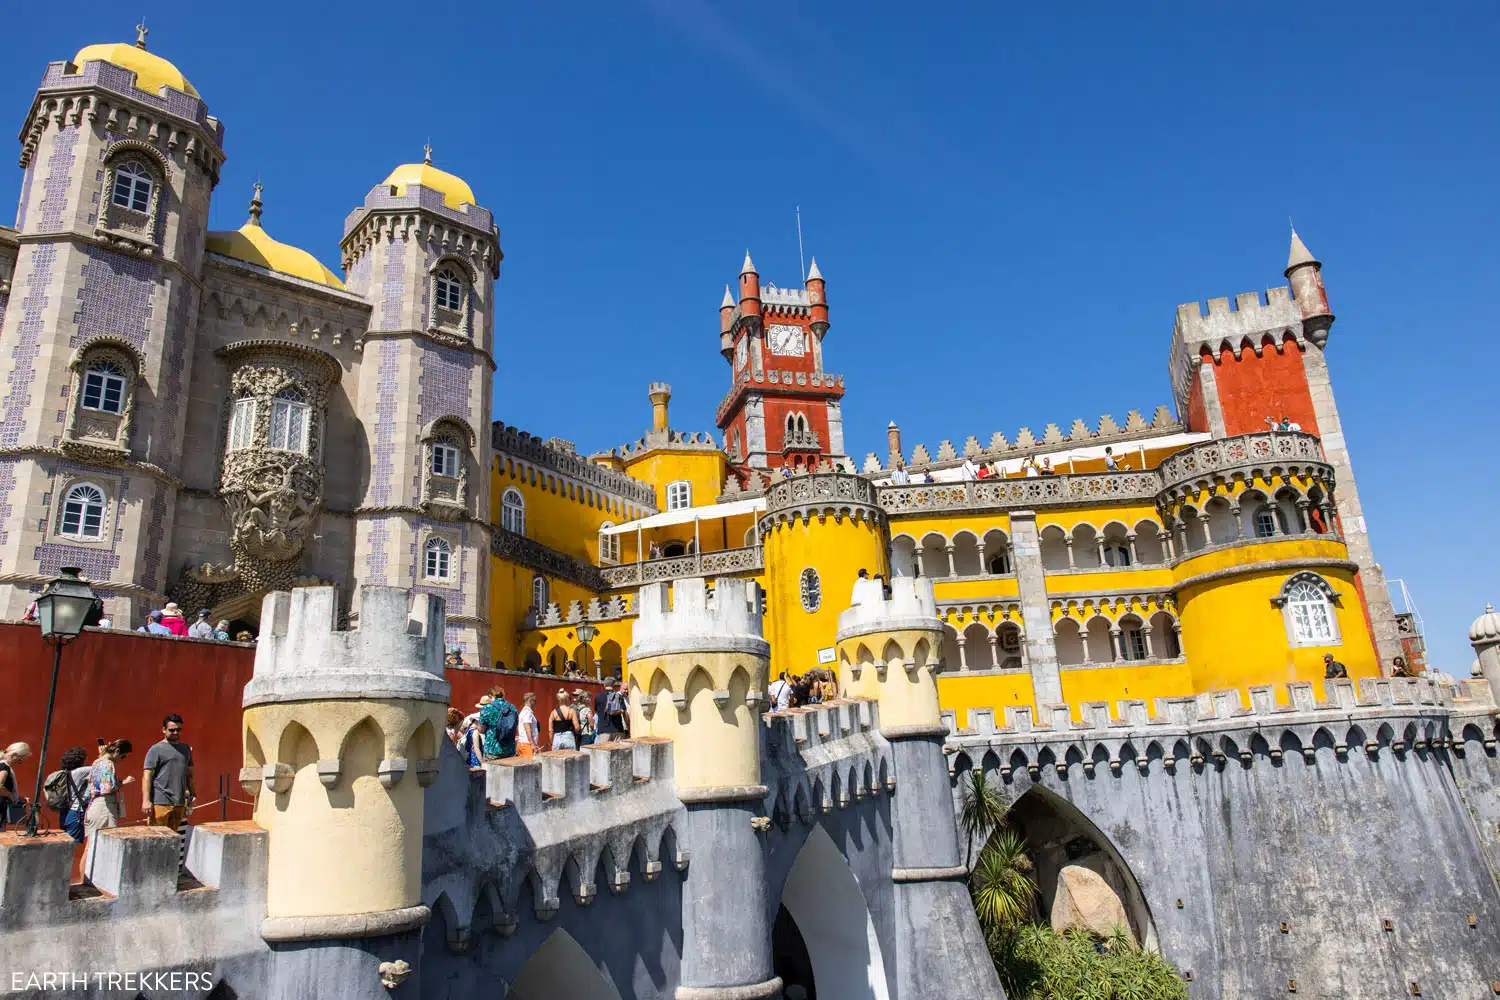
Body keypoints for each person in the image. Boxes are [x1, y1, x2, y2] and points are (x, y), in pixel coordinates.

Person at [84, 739, 133, 883]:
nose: (122, 760)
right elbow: (107, 789)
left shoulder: (97, 762)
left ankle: (86, 881)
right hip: (103, 807)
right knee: (101, 845)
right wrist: (124, 783)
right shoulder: (107, 764)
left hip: (94, 805)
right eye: (123, 756)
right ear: (117, 751)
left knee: (91, 846)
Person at [142, 713, 194, 832]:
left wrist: (192, 793)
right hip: (160, 801)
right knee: (157, 838)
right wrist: (146, 800)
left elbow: (189, 773)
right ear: (164, 730)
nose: (176, 732)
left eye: (179, 730)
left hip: (179, 802)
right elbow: (147, 776)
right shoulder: (155, 749)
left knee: (174, 838)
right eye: (172, 730)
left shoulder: (186, 749)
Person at [48, 747, 91, 844]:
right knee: (72, 845)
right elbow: (99, 767)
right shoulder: (80, 772)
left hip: (65, 812)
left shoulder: (65, 773)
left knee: (65, 843)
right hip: (76, 812)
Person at [478, 688, 518, 761]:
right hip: (510, 750)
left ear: (490, 696)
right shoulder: (512, 708)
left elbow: (481, 730)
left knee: (491, 772)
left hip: (492, 749)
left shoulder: (487, 708)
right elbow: (514, 728)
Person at [0, 742, 32, 830]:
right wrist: (10, 795)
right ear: (14, 755)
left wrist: (18, 798)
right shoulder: (4, 767)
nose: (20, 763)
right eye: (20, 760)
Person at [516, 693, 540, 759]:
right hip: (527, 744)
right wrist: (532, 744)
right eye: (535, 701)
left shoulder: (524, 711)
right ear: (530, 701)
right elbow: (527, 727)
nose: (536, 703)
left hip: (524, 743)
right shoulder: (527, 712)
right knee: (529, 767)